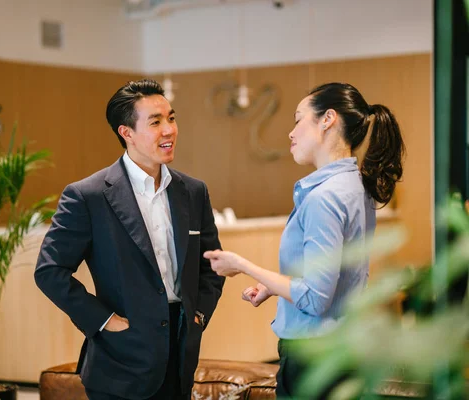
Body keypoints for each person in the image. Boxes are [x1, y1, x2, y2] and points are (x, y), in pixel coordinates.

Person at [203, 82, 405, 398]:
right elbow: (336, 279)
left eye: (299, 119)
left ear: (328, 120)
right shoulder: (357, 188)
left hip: (314, 358)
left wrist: (241, 264)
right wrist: (273, 286)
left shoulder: (324, 197)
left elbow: (315, 299)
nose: (291, 133)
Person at [34, 79, 225, 400]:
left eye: (171, 118)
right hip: (119, 362)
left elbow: (211, 263)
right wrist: (105, 321)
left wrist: (199, 315)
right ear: (127, 133)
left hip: (181, 353)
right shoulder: (88, 196)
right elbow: (49, 271)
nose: (169, 130)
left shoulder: (193, 191)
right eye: (155, 122)